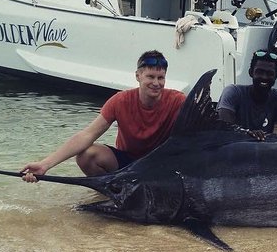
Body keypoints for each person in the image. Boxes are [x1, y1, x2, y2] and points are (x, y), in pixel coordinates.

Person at [21, 50, 186, 181]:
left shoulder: (178, 100)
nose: (156, 83)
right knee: (86, 155)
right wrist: (45, 165)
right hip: (127, 163)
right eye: (150, 76)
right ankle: (115, 192)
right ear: (138, 76)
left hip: (161, 164)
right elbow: (87, 135)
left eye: (161, 78)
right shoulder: (120, 100)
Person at [216, 50, 277, 143]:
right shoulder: (232, 92)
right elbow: (225, 128)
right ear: (251, 72)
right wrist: (247, 134)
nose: (264, 77)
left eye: (269, 73)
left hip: (262, 151)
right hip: (234, 149)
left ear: (276, 76)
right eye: (259, 72)